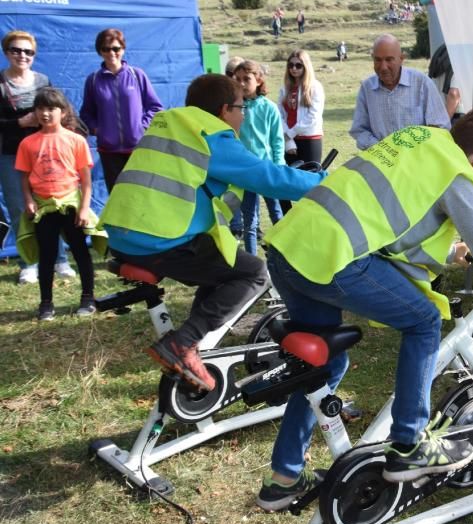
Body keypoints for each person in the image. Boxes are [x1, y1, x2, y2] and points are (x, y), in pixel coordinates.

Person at [258, 110, 473, 508]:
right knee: (424, 320)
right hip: (333, 257)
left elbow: (393, 221)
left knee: (326, 366)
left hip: (292, 248)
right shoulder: (457, 171)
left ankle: (284, 477)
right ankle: (409, 445)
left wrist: (452, 251)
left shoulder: (418, 140)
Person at [99, 74, 324, 392]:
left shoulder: (171, 123)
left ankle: (196, 350)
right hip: (159, 238)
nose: (243, 115)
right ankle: (184, 344)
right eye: (240, 107)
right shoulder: (211, 134)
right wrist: (322, 183)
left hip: (122, 234)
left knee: (222, 264)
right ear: (223, 110)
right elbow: (266, 176)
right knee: (255, 273)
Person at [0, 30, 75, 285]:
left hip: (46, 153)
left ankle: (59, 259)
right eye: (16, 50)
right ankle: (28, 263)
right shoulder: (0, 83)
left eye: (28, 52)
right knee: (21, 209)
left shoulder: (43, 81)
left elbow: (58, 109)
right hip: (10, 155)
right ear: (6, 52)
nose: (22, 55)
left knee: (53, 206)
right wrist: (19, 122)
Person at [15, 88, 96, 321]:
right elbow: (24, 177)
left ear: (63, 111)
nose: (45, 113)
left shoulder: (76, 140)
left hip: (71, 204)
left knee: (81, 251)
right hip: (43, 208)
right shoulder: (28, 143)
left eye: (51, 108)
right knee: (47, 254)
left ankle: (88, 298)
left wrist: (83, 208)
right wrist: (29, 200)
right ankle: (46, 304)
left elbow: (85, 180)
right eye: (40, 108)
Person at [79, 28, 163, 190]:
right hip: (109, 152)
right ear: (100, 51)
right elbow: (86, 113)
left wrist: (141, 127)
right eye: (106, 49)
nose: (111, 53)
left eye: (116, 48)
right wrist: (98, 130)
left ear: (123, 49)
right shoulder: (93, 80)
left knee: (141, 195)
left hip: (138, 149)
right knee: (118, 198)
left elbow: (155, 108)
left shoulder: (137, 75)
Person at [349, 34, 450, 150]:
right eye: (378, 60)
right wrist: (382, 149)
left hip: (417, 160)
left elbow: (439, 127)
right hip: (382, 162)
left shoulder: (422, 83)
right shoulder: (367, 88)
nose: (383, 67)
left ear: (401, 59)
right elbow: (360, 130)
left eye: (389, 59)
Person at [231, 60, 285, 256]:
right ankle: (253, 260)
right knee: (250, 220)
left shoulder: (269, 108)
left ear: (259, 80)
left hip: (267, 170)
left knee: (277, 215)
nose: (242, 84)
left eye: (247, 79)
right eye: (237, 79)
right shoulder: (233, 109)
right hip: (246, 173)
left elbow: (277, 140)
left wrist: (278, 167)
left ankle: (284, 254)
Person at [278, 50, 325, 215]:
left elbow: (313, 116)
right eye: (290, 65)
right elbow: (280, 115)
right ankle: (288, 219)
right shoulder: (284, 88)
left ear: (306, 66)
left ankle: (307, 218)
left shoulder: (315, 87)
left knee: (308, 185)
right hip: (289, 141)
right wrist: (288, 140)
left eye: (298, 65)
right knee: (284, 183)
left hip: (310, 140)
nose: (294, 69)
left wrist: (290, 134)